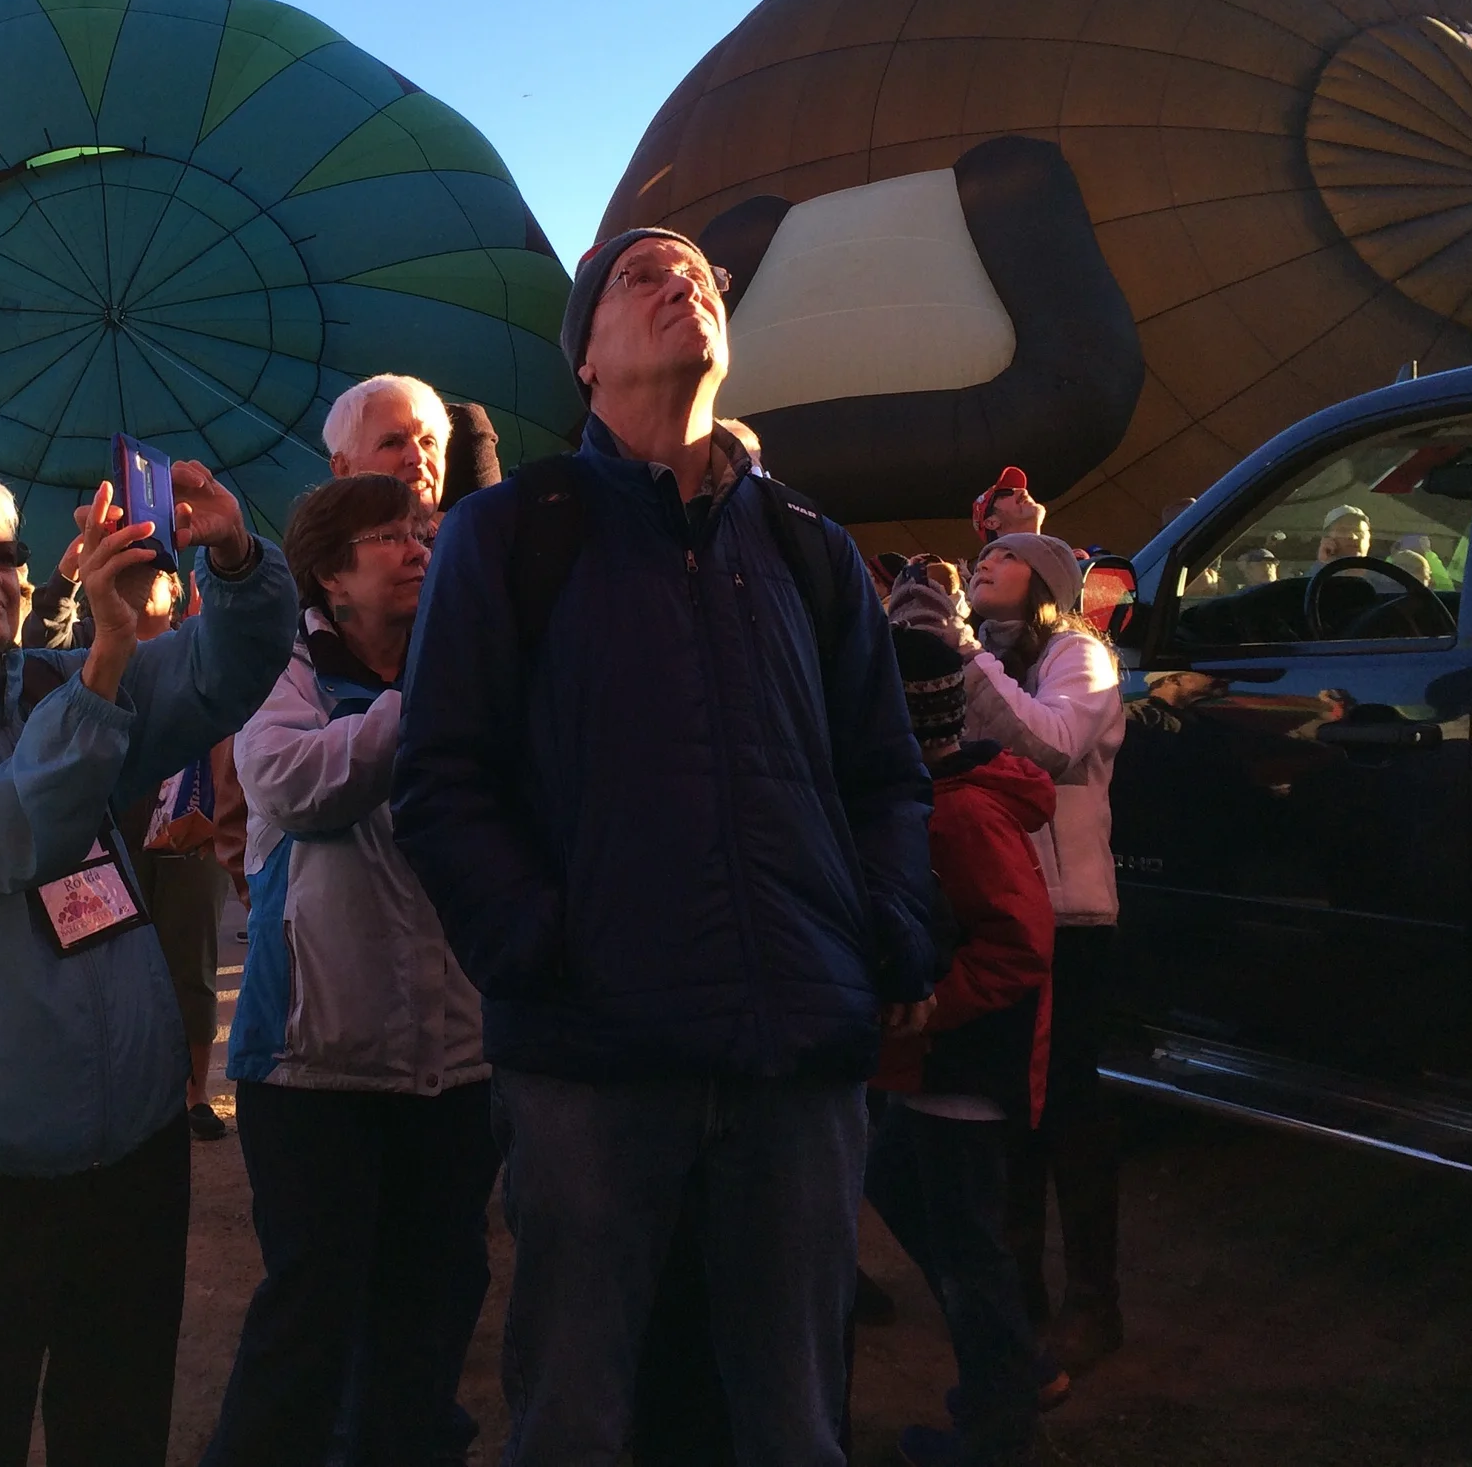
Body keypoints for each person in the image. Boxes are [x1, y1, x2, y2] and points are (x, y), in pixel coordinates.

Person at [393, 227, 938, 1467]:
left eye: (697, 275)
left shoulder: (807, 543)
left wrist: (888, 936)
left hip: (794, 1048)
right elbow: (442, 778)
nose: (680, 284)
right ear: (584, 358)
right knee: (576, 1418)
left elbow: (885, 773)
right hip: (592, 1057)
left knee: (794, 1424)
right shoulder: (511, 532)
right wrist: (542, 947)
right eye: (640, 276)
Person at [0, 462, 294, 1467]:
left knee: (120, 1432)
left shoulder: (52, 681)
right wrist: (107, 662)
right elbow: (8, 829)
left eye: (9, 551)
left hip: (132, 1158)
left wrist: (236, 557)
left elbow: (225, 670)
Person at [204, 474, 496, 1467]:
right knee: (312, 1309)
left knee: (433, 1305)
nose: (418, 549)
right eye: (389, 536)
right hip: (310, 1061)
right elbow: (290, 781)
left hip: (456, 1057)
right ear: (329, 573)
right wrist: (427, 703)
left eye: (423, 533)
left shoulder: (469, 659)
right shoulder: (282, 669)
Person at [893, 532, 1129, 1374]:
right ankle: (1022, 1308)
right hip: (993, 909)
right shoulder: (985, 657)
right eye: (983, 554)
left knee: (1068, 1107)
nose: (984, 561)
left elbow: (1052, 743)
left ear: (1048, 582)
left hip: (1069, 916)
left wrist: (957, 652)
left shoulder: (1079, 656)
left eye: (1008, 555)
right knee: (1010, 1116)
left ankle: (1093, 1300)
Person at [866, 627, 1060, 1467]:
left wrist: (930, 1005)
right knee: (898, 1186)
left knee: (966, 1248)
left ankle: (997, 1425)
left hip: (962, 1069)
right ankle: (1012, 1364)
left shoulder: (962, 813)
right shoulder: (938, 801)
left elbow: (1020, 943)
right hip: (933, 1069)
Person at [119, 567, 240, 1142]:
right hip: (117, 830)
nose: (141, 581)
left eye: (153, 571)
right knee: (119, 964)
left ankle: (195, 1093)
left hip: (192, 826)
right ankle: (132, 1091)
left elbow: (226, 729)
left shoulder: (200, 651)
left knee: (192, 965)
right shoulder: (96, 653)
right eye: (129, 570)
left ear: (175, 585)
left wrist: (219, 817)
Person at [324, 371, 451, 514]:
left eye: (428, 442)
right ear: (344, 469)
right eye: (391, 443)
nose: (418, 457)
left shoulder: (466, 525)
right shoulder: (318, 529)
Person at [972, 467, 1046, 547]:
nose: (1023, 491)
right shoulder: (999, 555)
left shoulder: (1053, 551)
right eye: (1005, 493)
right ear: (992, 523)